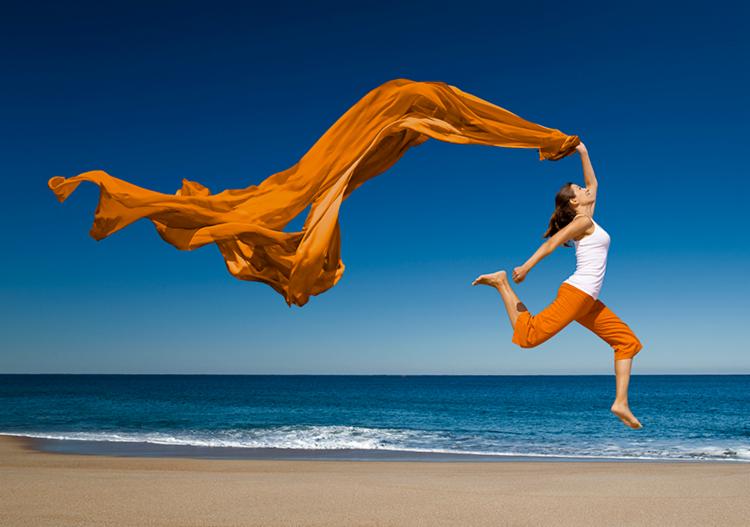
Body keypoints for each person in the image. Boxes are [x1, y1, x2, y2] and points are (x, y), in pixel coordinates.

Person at [472, 142, 644, 429]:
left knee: (627, 342)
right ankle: (502, 283)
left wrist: (582, 150)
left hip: (588, 301)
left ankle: (621, 402)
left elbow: (594, 182)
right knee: (529, 338)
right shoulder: (582, 221)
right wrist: (526, 267)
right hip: (576, 293)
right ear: (574, 202)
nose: (585, 189)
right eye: (579, 189)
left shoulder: (589, 216)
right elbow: (552, 242)